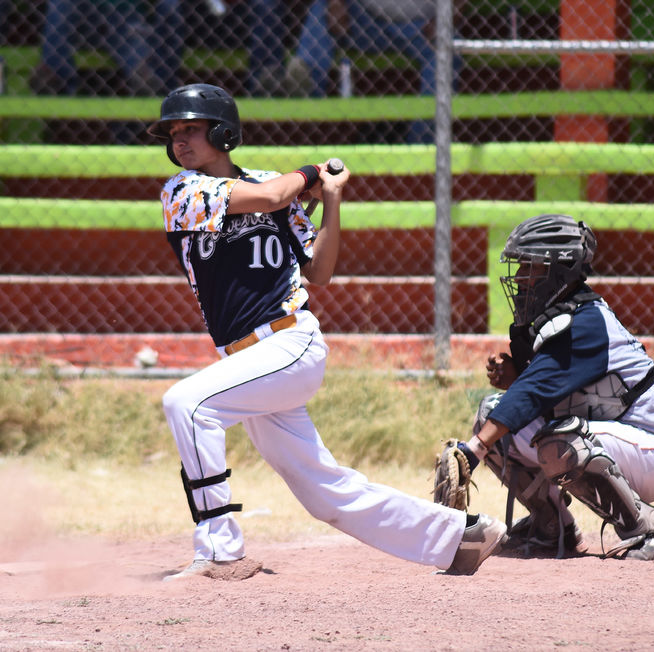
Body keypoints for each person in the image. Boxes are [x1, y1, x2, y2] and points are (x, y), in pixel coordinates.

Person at [147, 83, 506, 580]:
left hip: (289, 342)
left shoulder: (277, 188)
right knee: (321, 488)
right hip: (247, 361)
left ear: (223, 131)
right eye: (172, 131)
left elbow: (318, 271)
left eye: (191, 128)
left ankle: (220, 552)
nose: (179, 139)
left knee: (187, 404)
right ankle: (459, 538)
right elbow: (271, 195)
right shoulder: (182, 191)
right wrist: (314, 174)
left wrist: (331, 200)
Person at [451, 214, 654, 561]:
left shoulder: (587, 322)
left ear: (557, 271)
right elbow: (541, 389)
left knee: (560, 441)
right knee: (493, 414)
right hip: (618, 440)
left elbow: (535, 392)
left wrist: (472, 450)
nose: (520, 277)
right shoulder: (554, 319)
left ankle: (644, 531)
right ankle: (551, 528)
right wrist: (515, 378)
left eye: (530, 267)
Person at [287, 0, 462, 142]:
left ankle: (423, 143)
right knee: (322, 7)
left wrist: (445, 18)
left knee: (450, 49)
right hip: (364, 20)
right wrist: (336, 3)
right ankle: (307, 80)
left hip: (422, 27)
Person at [152, 0, 289, 96]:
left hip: (240, 15)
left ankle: (265, 82)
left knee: (267, 4)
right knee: (168, 4)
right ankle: (159, 85)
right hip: (196, 15)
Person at [30, 0, 159, 96]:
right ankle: (54, 74)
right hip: (81, 20)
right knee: (61, 3)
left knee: (127, 26)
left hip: (123, 14)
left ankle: (142, 75)